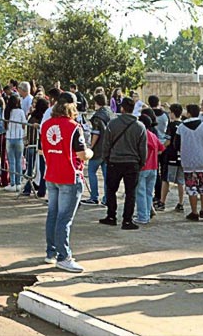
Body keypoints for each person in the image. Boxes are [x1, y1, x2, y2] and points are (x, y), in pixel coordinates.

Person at [41, 92, 92, 273]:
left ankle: (51, 252)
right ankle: (64, 256)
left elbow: (43, 150)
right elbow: (82, 153)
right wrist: (90, 153)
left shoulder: (46, 125)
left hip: (51, 174)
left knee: (53, 214)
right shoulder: (73, 127)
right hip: (69, 175)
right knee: (64, 218)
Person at [100, 96, 146, 229]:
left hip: (114, 161)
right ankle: (127, 220)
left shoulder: (112, 124)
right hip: (132, 163)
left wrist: (106, 158)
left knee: (111, 190)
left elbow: (106, 143)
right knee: (130, 193)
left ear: (122, 108)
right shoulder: (139, 126)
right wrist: (141, 162)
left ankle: (111, 216)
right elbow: (142, 148)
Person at [176, 103, 203, 222]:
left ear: (188, 113)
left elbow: (176, 144)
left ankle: (194, 212)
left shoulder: (181, 128)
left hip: (188, 163)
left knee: (191, 187)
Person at [82, 92, 112, 205]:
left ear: (96, 103)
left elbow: (96, 133)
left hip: (98, 149)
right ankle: (106, 198)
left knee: (91, 172)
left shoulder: (97, 117)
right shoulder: (110, 114)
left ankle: (94, 196)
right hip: (108, 148)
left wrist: (91, 146)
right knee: (106, 175)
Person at [136, 111, 165, 225]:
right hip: (153, 167)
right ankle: (146, 214)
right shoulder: (153, 135)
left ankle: (142, 216)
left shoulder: (142, 135)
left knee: (140, 192)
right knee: (148, 193)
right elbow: (161, 148)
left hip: (143, 167)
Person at [160, 102, 185, 211]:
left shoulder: (171, 125)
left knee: (165, 179)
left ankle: (162, 202)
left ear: (173, 114)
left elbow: (168, 141)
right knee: (181, 181)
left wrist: (160, 149)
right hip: (181, 156)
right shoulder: (184, 125)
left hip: (170, 156)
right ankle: (181, 203)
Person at [4, 94, 27, 192]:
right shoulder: (21, 111)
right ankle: (18, 183)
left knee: (11, 162)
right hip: (19, 138)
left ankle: (12, 183)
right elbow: (24, 124)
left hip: (9, 137)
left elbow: (4, 123)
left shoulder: (7, 112)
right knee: (19, 161)